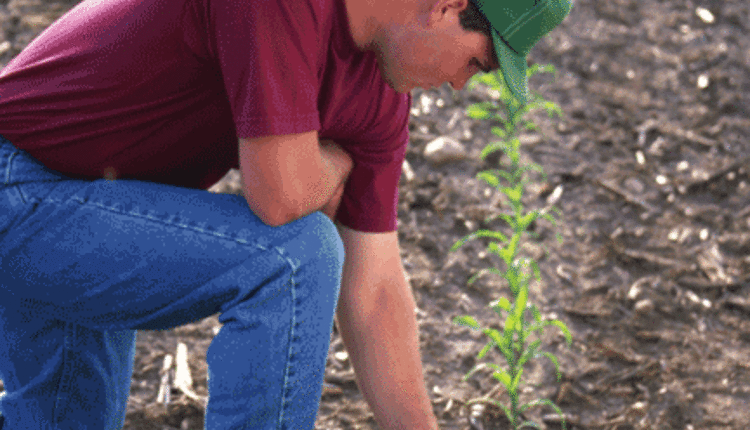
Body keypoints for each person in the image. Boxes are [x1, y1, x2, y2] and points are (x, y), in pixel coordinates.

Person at [0, 0, 571, 427]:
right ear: (447, 6)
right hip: (20, 186)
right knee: (295, 258)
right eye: (476, 63)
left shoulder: (380, 96)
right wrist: (335, 168)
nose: (457, 84)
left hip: (92, 210)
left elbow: (373, 290)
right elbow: (277, 195)